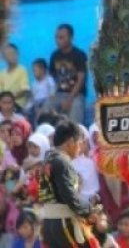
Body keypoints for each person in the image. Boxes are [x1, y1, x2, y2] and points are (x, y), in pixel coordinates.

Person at [38, 120, 99, 248]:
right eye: (79, 142)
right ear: (70, 141)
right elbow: (68, 195)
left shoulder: (48, 158)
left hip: (49, 223)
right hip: (63, 223)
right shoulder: (62, 161)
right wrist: (88, 210)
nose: (80, 146)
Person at [48, 25, 87, 124]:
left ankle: (75, 137)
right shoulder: (54, 55)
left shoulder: (79, 55)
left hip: (76, 95)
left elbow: (81, 79)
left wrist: (70, 99)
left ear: (71, 38)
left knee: (74, 121)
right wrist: (52, 94)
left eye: (61, 37)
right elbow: (52, 77)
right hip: (59, 94)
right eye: (56, 37)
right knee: (44, 113)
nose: (57, 40)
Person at [71, 125, 99, 203]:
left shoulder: (90, 164)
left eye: (82, 140)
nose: (80, 143)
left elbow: (95, 190)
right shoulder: (62, 163)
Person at [0, 45, 31, 109]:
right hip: (3, 104)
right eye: (9, 54)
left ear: (18, 54)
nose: (12, 56)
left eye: (13, 53)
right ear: (4, 57)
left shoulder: (22, 70)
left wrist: (9, 100)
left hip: (17, 104)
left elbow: (25, 89)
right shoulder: (2, 73)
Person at [26, 59, 55, 124]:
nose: (33, 73)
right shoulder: (34, 84)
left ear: (43, 70)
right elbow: (32, 98)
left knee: (41, 113)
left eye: (35, 70)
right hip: (36, 104)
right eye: (33, 71)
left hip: (46, 103)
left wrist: (44, 106)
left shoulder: (49, 80)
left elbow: (52, 94)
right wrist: (26, 109)